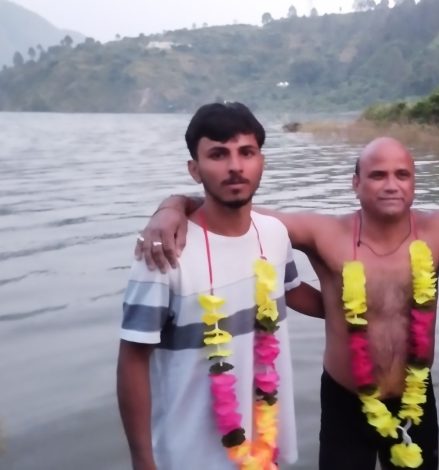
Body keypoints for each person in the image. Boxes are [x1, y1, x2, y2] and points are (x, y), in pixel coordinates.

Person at [136, 136, 439, 469]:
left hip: (415, 399)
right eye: (376, 175)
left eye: (401, 175)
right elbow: (232, 206)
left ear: (415, 182)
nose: (390, 185)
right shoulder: (321, 233)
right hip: (346, 400)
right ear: (356, 183)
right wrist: (172, 205)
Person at [117, 102, 324, 470]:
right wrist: (142, 461)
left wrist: (368, 309)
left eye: (247, 152)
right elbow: (133, 360)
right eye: (218, 154)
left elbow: (293, 293)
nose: (234, 166)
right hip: (188, 457)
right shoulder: (165, 252)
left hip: (265, 448)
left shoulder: (274, 234)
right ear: (194, 170)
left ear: (262, 161)